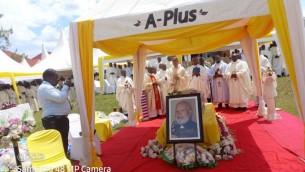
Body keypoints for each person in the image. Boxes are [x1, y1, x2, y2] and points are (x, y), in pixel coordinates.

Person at [37, 68, 71, 154]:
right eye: (56, 77)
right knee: (57, 142)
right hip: (54, 120)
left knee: (63, 141)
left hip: (57, 118)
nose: (58, 79)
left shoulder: (48, 87)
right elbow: (60, 98)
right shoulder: (45, 87)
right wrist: (66, 86)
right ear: (50, 77)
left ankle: (63, 158)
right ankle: (60, 160)